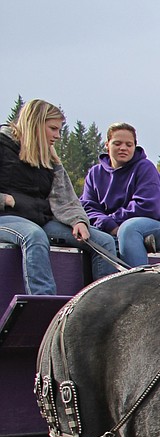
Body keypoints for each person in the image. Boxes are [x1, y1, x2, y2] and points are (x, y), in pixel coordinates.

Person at [0, 99, 119, 294]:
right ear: (35, 124)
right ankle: (44, 304)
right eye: (53, 129)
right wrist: (5, 200)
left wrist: (78, 221)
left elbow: (65, 198)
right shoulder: (2, 145)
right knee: (33, 236)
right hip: (6, 218)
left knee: (103, 242)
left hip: (40, 219)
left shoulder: (50, 158)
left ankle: (104, 306)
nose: (57, 136)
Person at [81, 122, 160, 267]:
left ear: (135, 146)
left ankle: (136, 284)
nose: (123, 148)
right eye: (117, 143)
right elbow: (88, 207)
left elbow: (150, 207)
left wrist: (113, 222)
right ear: (107, 145)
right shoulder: (95, 173)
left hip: (156, 228)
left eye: (129, 144)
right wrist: (109, 225)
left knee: (129, 229)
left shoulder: (145, 168)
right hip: (111, 229)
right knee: (88, 233)